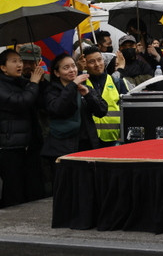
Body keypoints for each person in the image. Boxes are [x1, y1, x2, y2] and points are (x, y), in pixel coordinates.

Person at [40, 54, 108, 166]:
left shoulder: (85, 88)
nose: (72, 70)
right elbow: (58, 108)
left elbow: (102, 111)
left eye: (73, 66)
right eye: (66, 68)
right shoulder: (52, 91)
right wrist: (72, 85)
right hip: (63, 147)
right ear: (57, 73)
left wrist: (87, 95)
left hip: (87, 144)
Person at [0, 49, 45, 208]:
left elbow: (40, 102)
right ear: (3, 68)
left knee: (32, 189)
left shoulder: (21, 82)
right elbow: (20, 102)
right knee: (13, 191)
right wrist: (33, 83)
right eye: (14, 61)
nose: (19, 65)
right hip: (9, 146)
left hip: (29, 144)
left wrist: (40, 81)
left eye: (20, 61)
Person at [82, 46, 121, 146]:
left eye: (99, 60)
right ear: (85, 64)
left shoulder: (116, 81)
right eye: (91, 62)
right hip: (90, 139)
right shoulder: (81, 84)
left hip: (114, 138)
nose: (97, 64)